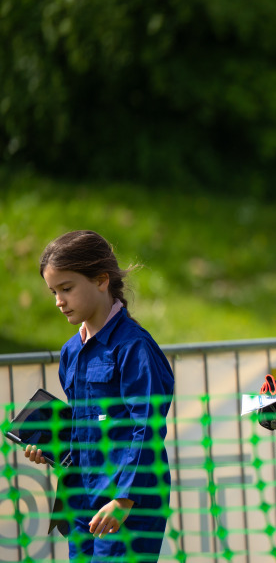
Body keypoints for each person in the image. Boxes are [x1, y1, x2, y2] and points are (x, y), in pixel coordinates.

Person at [23, 230, 175, 561]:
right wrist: (50, 445)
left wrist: (125, 499)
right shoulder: (70, 352)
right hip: (81, 499)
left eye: (67, 288)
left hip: (128, 504)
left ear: (102, 280)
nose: (58, 300)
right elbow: (87, 424)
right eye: (53, 291)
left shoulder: (135, 348)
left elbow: (146, 429)